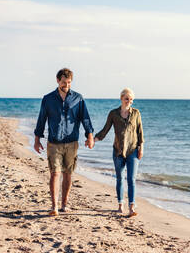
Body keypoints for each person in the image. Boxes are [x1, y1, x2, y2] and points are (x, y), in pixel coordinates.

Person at [33, 68, 94, 216]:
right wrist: (37, 139)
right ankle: (54, 206)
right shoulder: (48, 99)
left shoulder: (78, 98)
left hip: (72, 142)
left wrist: (90, 135)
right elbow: (42, 119)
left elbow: (85, 118)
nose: (66, 85)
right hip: (54, 142)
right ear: (57, 81)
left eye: (69, 83)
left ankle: (64, 204)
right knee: (55, 173)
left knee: (68, 174)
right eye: (64, 82)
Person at [94, 88, 144, 217]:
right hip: (118, 151)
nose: (129, 101)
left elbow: (140, 132)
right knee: (120, 178)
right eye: (127, 98)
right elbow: (105, 130)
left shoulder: (136, 113)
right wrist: (94, 139)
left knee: (131, 179)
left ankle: (131, 207)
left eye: (131, 99)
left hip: (133, 150)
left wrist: (141, 148)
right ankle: (120, 205)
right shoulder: (113, 114)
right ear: (121, 98)